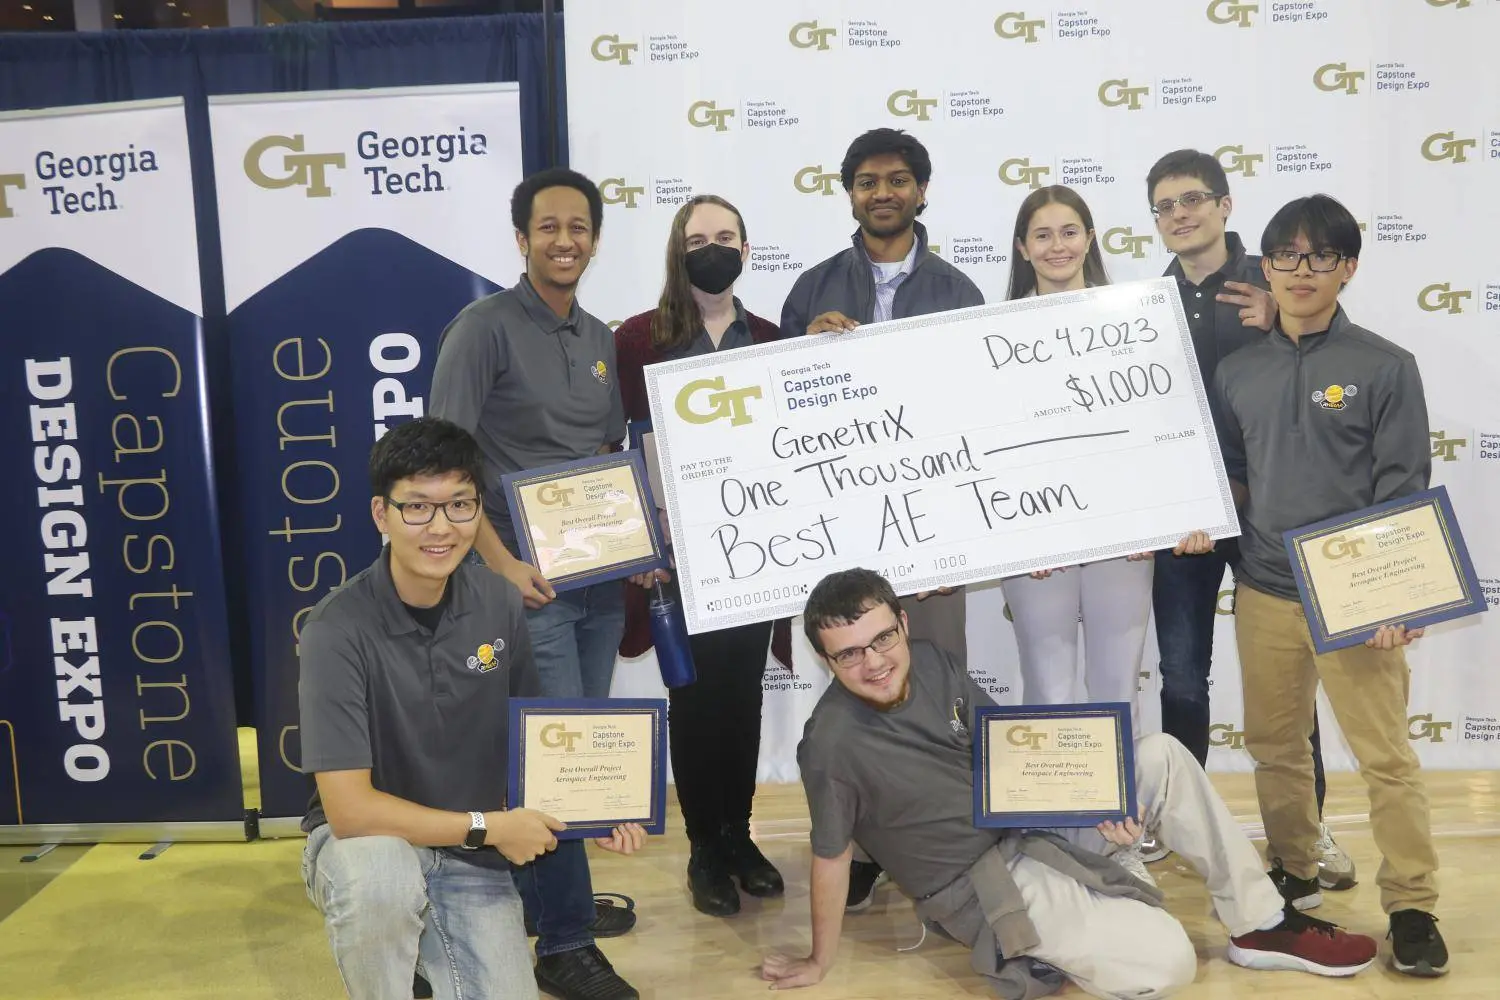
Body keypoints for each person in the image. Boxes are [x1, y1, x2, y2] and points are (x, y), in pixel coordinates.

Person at [759, 568, 1377, 998]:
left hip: (1028, 824)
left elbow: (1011, 756)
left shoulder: (937, 663)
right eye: (848, 655)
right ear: (825, 658)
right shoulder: (831, 743)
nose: (874, 662)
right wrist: (819, 960)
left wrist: (1098, 799)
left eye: (883, 638)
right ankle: (1064, 927)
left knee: (1159, 754)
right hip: (980, 882)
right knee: (1170, 964)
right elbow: (831, 857)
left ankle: (1259, 923)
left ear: (900, 620)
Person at [297, 417, 645, 1000]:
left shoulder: (498, 602)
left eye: (460, 505)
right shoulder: (336, 627)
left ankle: (426, 950)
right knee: (381, 882)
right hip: (372, 844)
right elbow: (351, 811)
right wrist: (489, 827)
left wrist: (591, 807)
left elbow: (533, 741)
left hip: (471, 857)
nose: (441, 528)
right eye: (418, 508)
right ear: (381, 515)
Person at [1214, 194, 1447, 977]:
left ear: (1347, 268)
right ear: (1266, 266)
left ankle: (1413, 904)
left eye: (1320, 257)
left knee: (1386, 758)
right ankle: (1295, 872)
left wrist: (1395, 599)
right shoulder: (1237, 369)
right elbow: (1236, 483)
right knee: (1277, 748)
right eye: (1286, 255)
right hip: (1265, 590)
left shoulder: (1385, 366)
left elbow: (1402, 491)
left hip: (1355, 600)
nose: (1301, 271)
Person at [429, 168, 638, 1000]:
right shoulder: (480, 330)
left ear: (593, 238)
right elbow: (447, 462)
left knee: (571, 751)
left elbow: (603, 457)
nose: (564, 240)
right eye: (547, 227)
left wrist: (636, 540)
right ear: (521, 239)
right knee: (562, 759)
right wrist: (503, 565)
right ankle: (565, 942)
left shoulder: (596, 337)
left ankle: (541, 894)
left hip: (595, 584)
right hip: (523, 590)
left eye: (579, 227)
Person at [779, 126, 984, 911]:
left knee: (930, 677)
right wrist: (803, 349)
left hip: (934, 527)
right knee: (857, 685)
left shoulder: (959, 291)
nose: (883, 192)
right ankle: (864, 843)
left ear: (922, 191)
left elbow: (977, 408)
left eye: (898, 179)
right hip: (840, 527)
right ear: (850, 194)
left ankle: (945, 832)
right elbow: (779, 409)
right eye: (867, 181)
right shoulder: (812, 288)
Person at [1145, 150, 1351, 890]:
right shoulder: (1141, 308)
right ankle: (1179, 825)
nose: (1181, 214)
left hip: (1270, 510)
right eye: (1165, 206)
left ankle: (1308, 834)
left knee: (1294, 681)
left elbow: (1338, 355)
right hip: (1186, 520)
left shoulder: (1277, 278)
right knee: (1182, 680)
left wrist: (1285, 323)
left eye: (1194, 199)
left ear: (1226, 205)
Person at [614, 194, 786, 918]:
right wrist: (642, 545)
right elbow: (618, 446)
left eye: (725, 236)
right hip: (674, 561)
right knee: (693, 697)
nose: (712, 248)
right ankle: (703, 846)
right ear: (675, 251)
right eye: (697, 238)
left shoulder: (775, 337)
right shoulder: (637, 338)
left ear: (746, 250)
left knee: (740, 697)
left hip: (754, 552)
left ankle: (739, 835)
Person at [996, 187, 1160, 879]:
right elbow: (989, 441)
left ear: (1091, 237)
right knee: (1047, 680)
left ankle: (1116, 826)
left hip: (1122, 533)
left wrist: (1154, 511)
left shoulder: (1135, 322)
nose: (1057, 245)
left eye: (1069, 231)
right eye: (1042, 234)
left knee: (1116, 684)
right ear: (1023, 247)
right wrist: (1014, 533)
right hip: (1037, 538)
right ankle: (1054, 825)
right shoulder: (993, 333)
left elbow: (1155, 426)